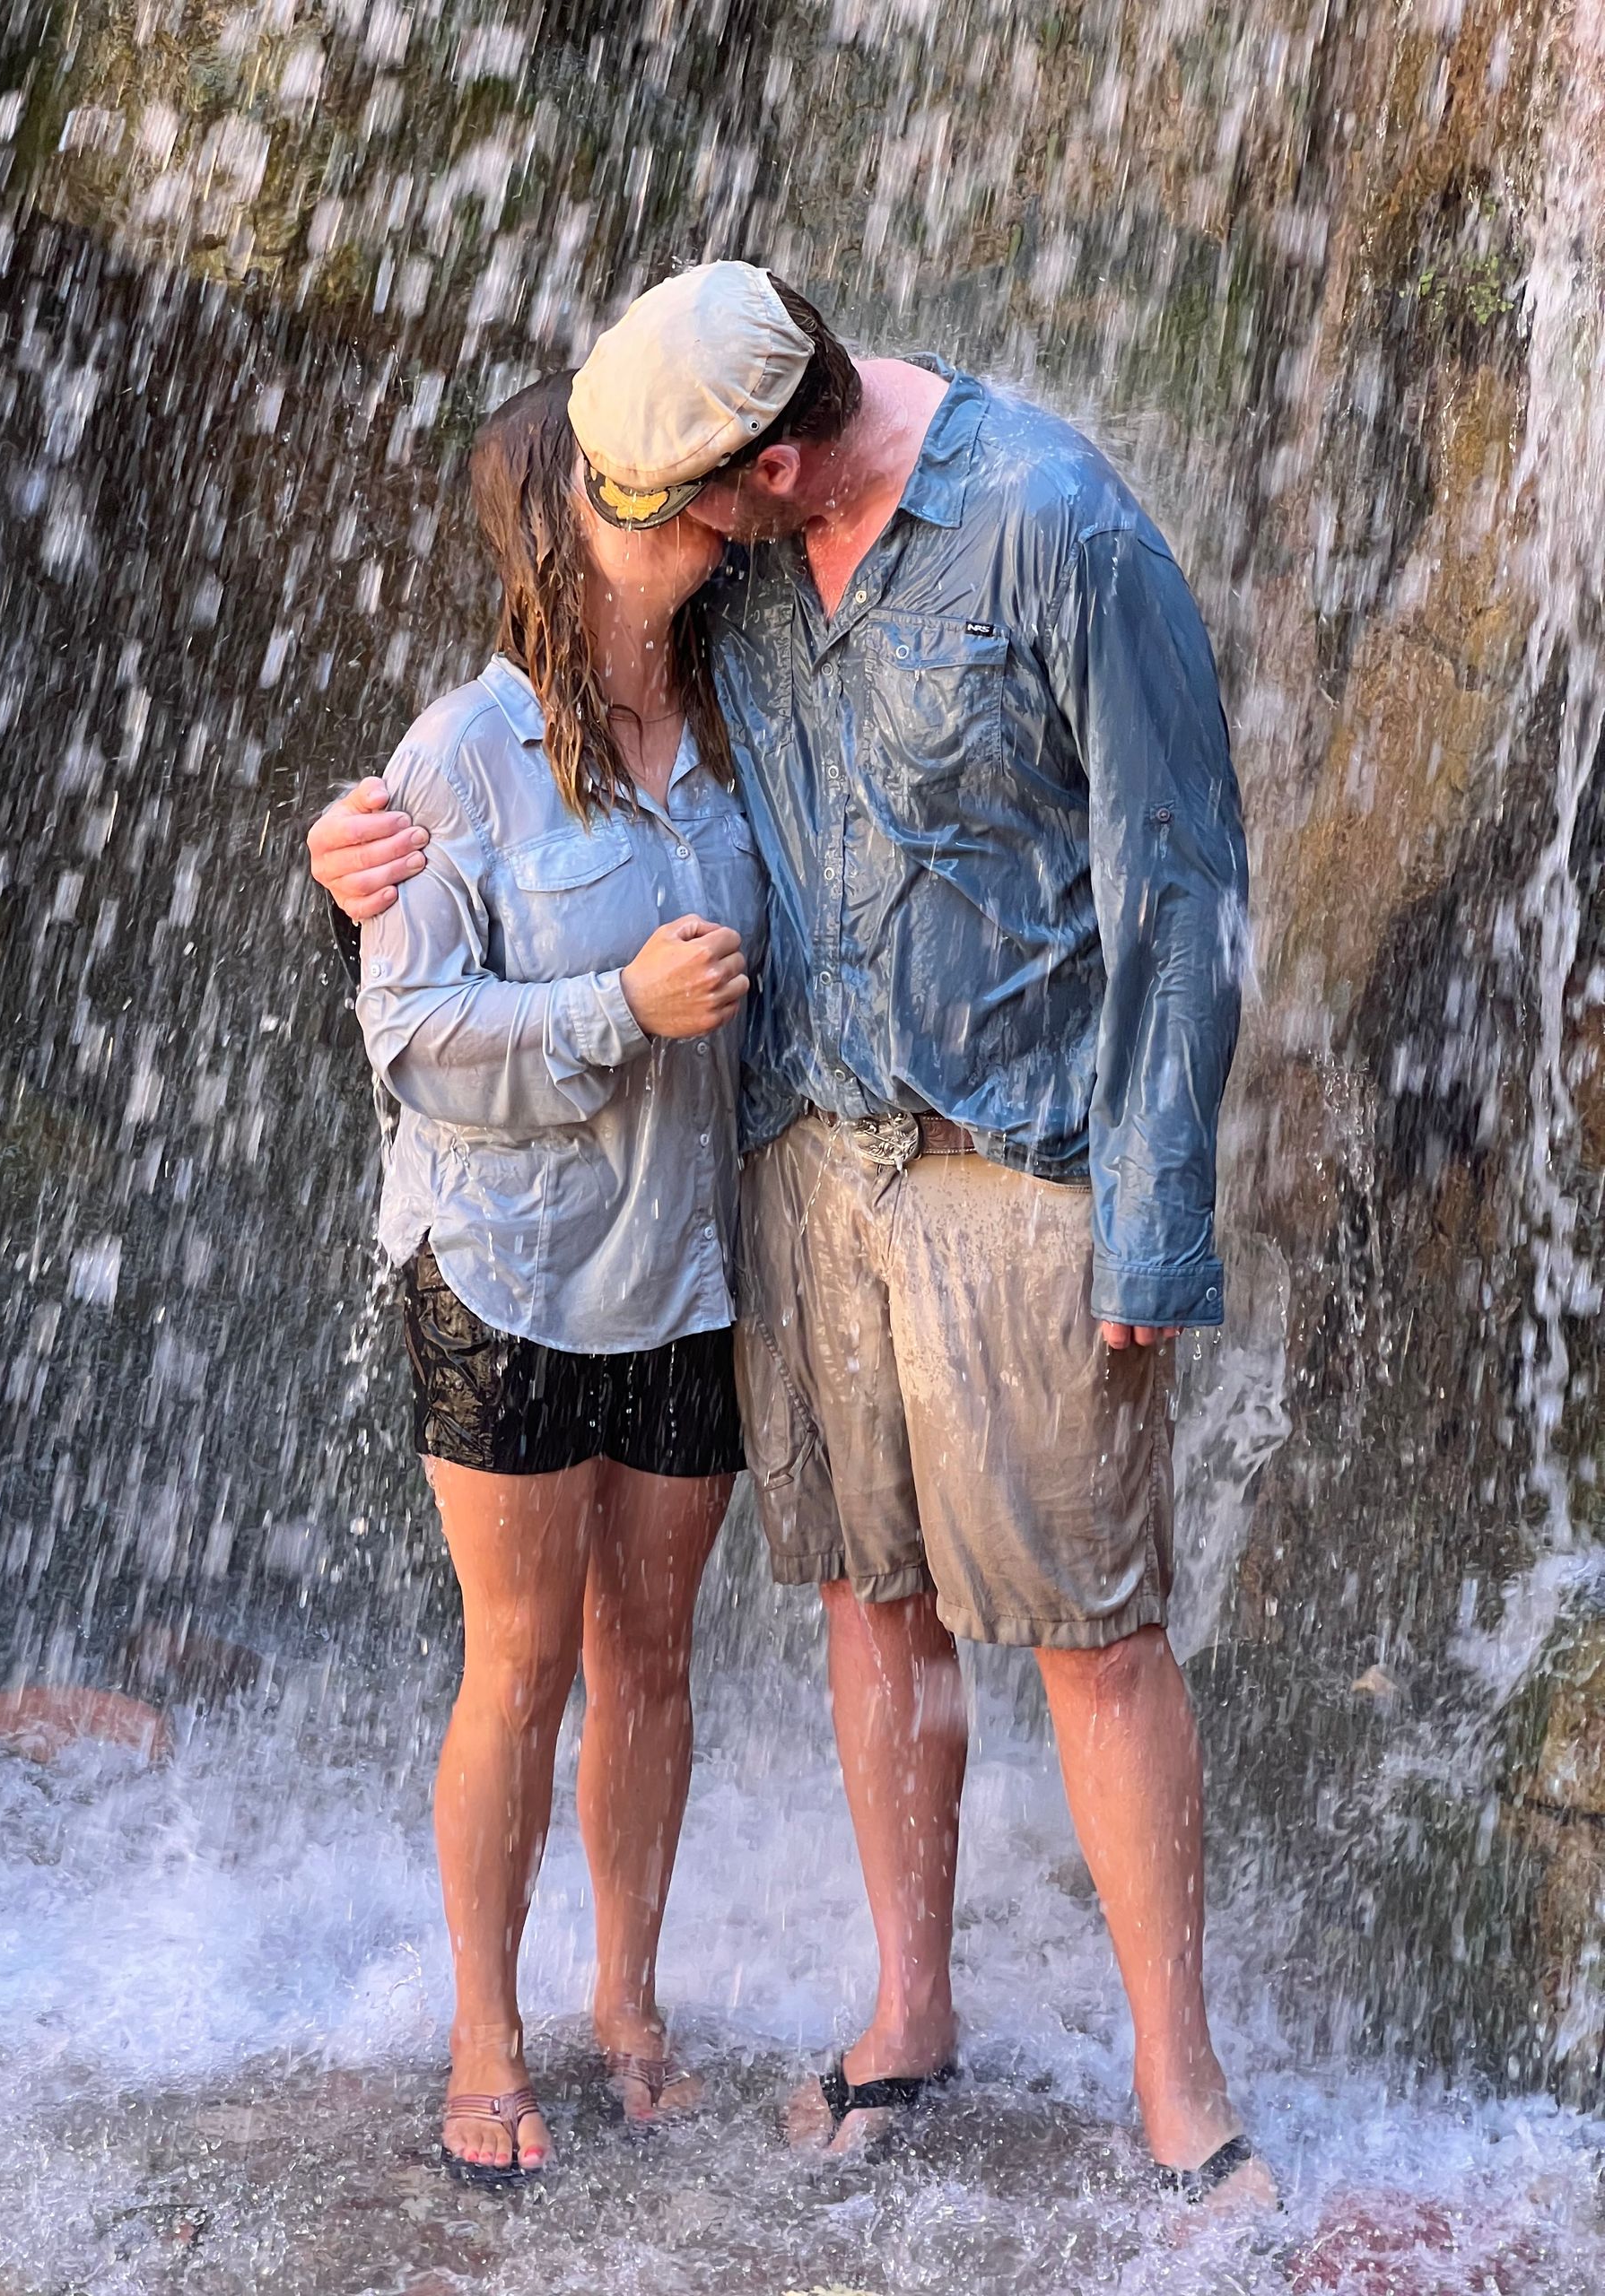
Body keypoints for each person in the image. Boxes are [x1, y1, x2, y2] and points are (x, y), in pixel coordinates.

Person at [312, 266, 1271, 2209]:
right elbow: (533, 611)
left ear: (773, 459)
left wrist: (1153, 1217)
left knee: (1095, 1627)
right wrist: (335, 868)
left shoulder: (1054, 530)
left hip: (1014, 1165)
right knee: (867, 1599)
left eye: (686, 509)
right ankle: (910, 2008)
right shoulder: (729, 556)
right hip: (801, 1171)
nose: (658, 542)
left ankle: (1184, 2080)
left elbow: (1177, 879)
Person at [343, 370, 767, 2182]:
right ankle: (486, 2030)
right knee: (519, 1661)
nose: (701, 499)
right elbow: (413, 1031)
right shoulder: (461, 753)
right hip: (507, 1271)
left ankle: (629, 2000)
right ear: (566, 519)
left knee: (652, 1654)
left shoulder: (752, 719)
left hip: (685, 1269)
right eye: (652, 479)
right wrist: (621, 1006)